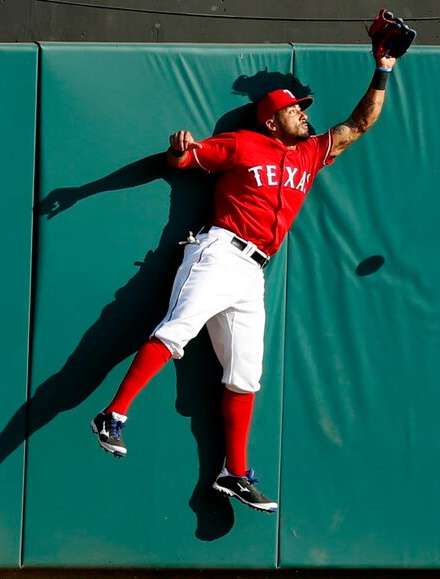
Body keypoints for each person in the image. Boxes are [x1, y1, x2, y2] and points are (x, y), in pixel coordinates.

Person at [91, 52, 398, 513]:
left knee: (245, 376)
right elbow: (183, 160)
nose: (304, 113)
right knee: (176, 333)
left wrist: (384, 68)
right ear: (272, 121)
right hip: (219, 252)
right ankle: (112, 415)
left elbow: (361, 122)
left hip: (253, 272)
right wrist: (179, 149)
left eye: (304, 107)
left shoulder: (311, 153)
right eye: (295, 108)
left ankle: (233, 473)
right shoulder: (242, 143)